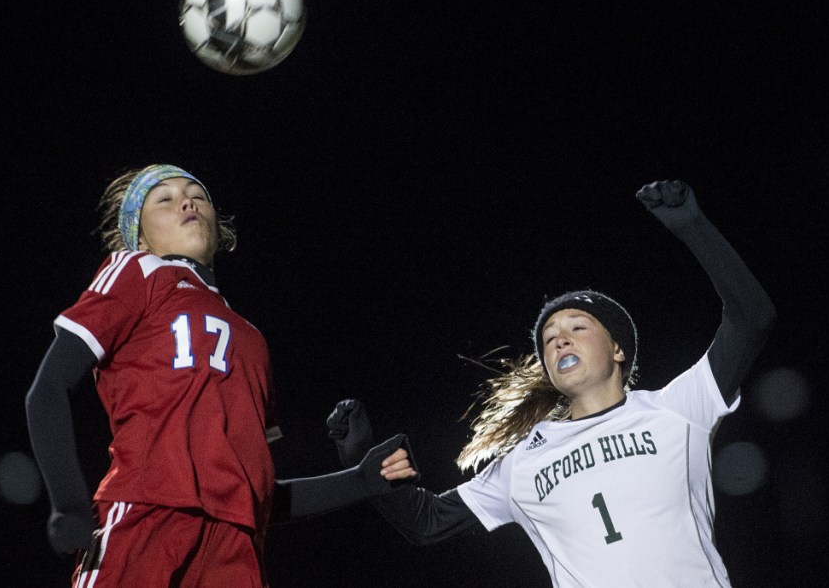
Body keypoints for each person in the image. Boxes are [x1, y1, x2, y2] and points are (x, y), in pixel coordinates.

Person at [328, 179, 777, 587]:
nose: (559, 338)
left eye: (577, 327)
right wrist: (360, 460)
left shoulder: (678, 408)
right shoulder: (523, 461)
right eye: (548, 339)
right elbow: (425, 521)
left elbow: (752, 318)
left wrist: (694, 226)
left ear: (618, 350)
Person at [25, 164, 416, 587]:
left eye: (197, 194)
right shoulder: (138, 271)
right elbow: (48, 388)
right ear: (139, 234)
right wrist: (69, 503)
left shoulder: (252, 340)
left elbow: (256, 491)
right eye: (165, 198)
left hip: (236, 548)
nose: (187, 201)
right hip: (146, 516)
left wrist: (361, 480)